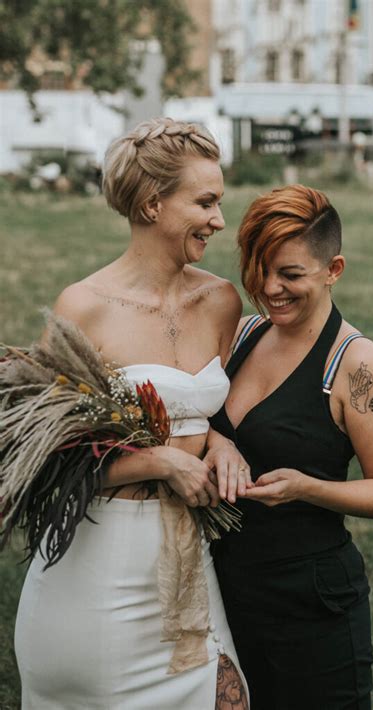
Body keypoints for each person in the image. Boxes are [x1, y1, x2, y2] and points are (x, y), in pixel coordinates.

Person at [14, 117, 250, 709]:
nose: (219, 220)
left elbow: (207, 411)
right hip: (100, 567)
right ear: (152, 205)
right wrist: (161, 462)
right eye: (205, 203)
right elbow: (42, 462)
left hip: (186, 557)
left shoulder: (221, 301)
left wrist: (219, 442)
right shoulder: (83, 307)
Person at [208, 185, 373, 710]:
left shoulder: (355, 364)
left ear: (332, 269)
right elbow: (197, 417)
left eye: (290, 274)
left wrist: (306, 488)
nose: (270, 288)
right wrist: (216, 441)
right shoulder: (244, 335)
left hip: (313, 605)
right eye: (260, 269)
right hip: (227, 592)